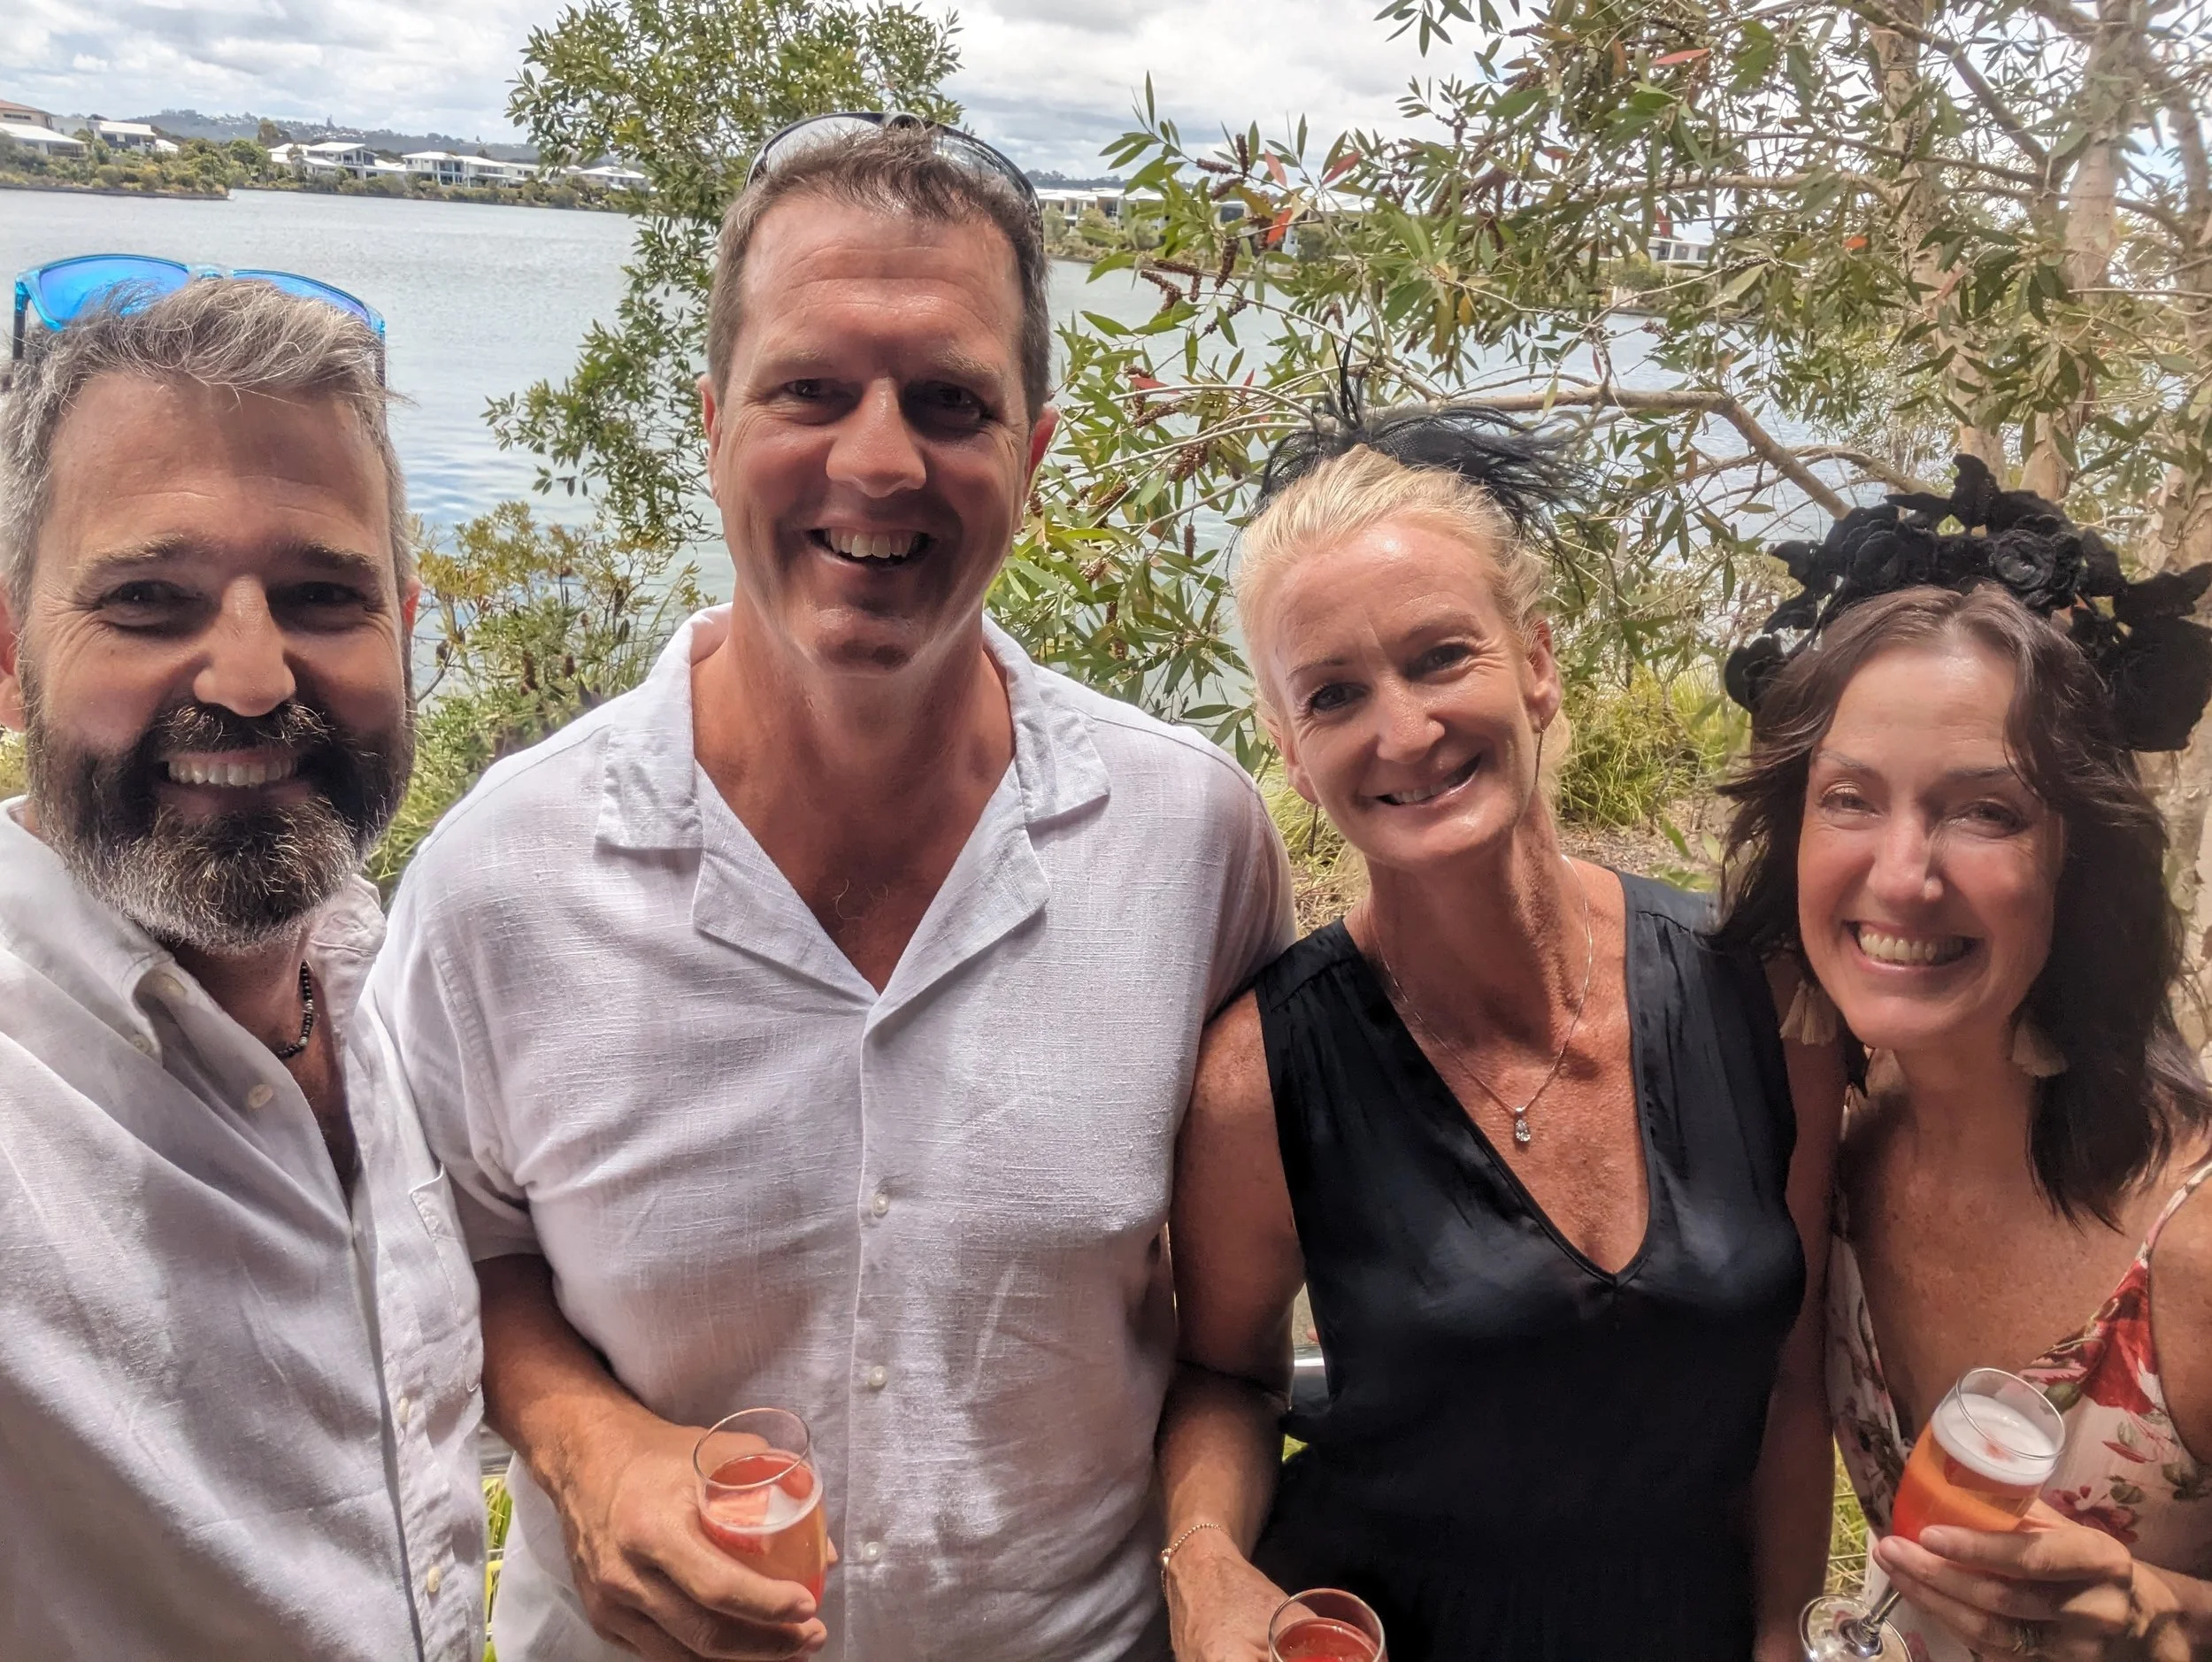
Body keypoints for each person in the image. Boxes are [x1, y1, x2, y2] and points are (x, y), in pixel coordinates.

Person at [362, 117, 1293, 1662]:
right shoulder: (502, 877)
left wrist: (1206, 1569)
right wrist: (587, 1444)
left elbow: (1233, 1342)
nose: (878, 461)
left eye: (951, 402)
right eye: (809, 390)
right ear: (712, 422)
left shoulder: (1190, 844)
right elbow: (438, 1251)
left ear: (1033, 456)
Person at [1157, 404, 1845, 1662]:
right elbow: (1224, 1373)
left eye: (1440, 657)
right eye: (1335, 694)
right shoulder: (1264, 1078)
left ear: (1536, 663)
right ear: (1293, 756)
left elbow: (1795, 1372)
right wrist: (1203, 1560)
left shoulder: (1757, 992)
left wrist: (1780, 1630)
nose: (1404, 730)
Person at [0, 279, 485, 1658]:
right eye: (150, 602)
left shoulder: (387, 987)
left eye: (323, 595)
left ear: (405, 627)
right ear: (10, 657)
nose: (256, 676)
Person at [1717, 459, 2212, 1660]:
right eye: (1849, 798)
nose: (1902, 874)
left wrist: (2166, 1616)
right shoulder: (1836, 1156)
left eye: (1985, 810)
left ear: (2079, 859)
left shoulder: (2194, 1251)